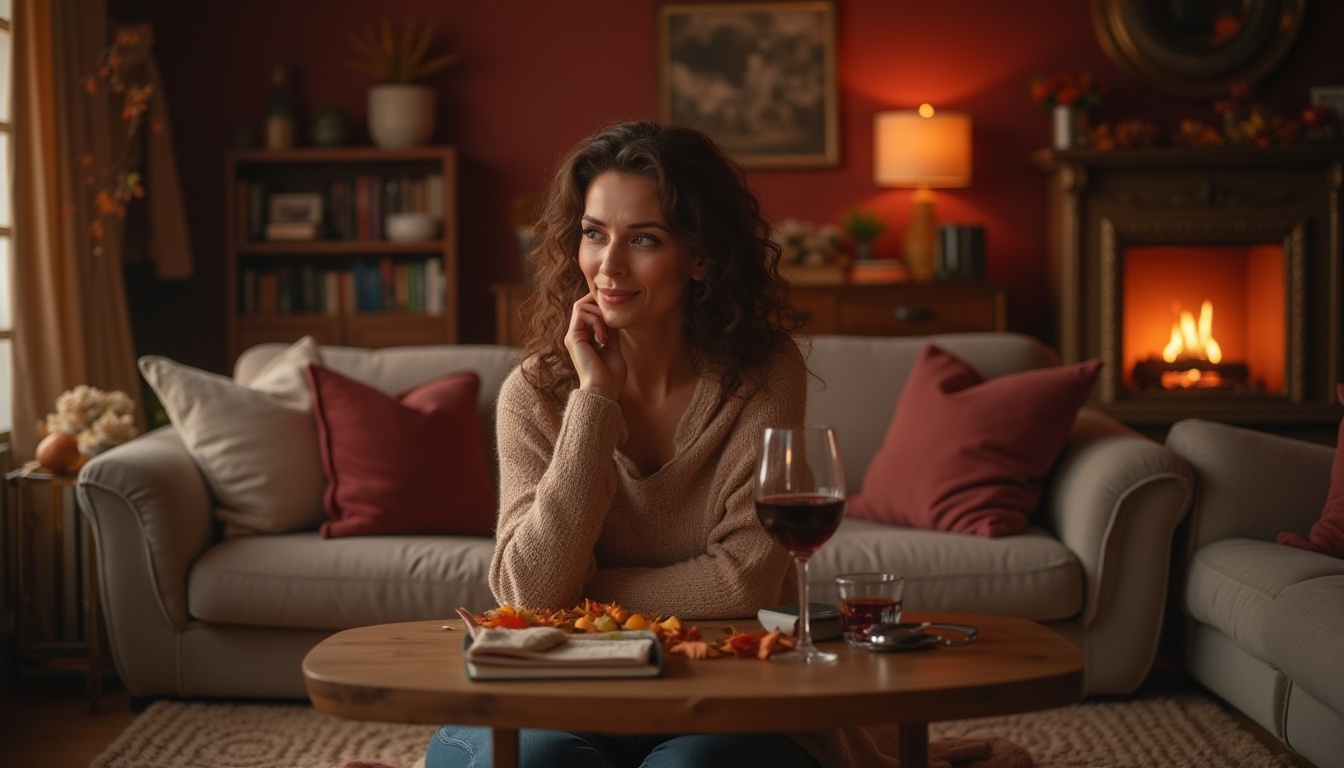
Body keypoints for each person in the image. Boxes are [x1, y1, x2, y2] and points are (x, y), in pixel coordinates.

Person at [425, 121, 901, 767]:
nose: (609, 265)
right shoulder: (533, 392)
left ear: (700, 255)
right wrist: (594, 401)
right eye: (594, 234)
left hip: (722, 688)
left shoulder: (763, 373)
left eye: (643, 239)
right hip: (559, 689)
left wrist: (581, 594)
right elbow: (529, 592)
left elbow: (743, 584)